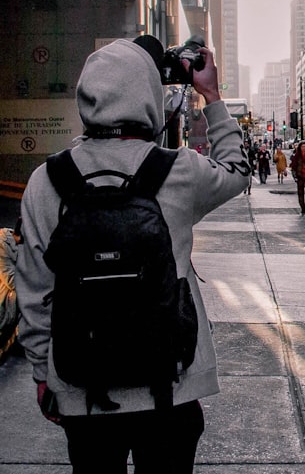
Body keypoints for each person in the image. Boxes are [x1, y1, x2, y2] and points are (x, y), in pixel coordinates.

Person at [15, 36, 250, 474]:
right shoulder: (178, 170)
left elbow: (34, 290)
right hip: (171, 387)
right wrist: (212, 96)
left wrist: (44, 375)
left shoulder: (46, 181)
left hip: (83, 390)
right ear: (148, 95)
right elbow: (237, 171)